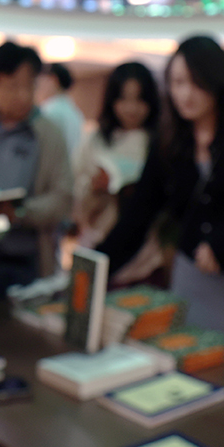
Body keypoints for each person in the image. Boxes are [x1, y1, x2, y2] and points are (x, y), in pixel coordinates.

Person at [98, 36, 224, 372]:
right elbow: (140, 213)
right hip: (195, 282)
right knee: (200, 379)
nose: (185, 94)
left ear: (217, 83)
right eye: (178, 83)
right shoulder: (169, 140)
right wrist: (97, 266)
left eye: (197, 83)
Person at [0, 42, 73, 297]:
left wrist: (21, 212)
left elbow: (63, 198)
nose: (23, 95)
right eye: (13, 86)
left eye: (30, 86)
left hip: (25, 262)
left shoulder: (48, 134)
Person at [72, 62, 163, 284]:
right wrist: (94, 189)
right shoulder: (95, 140)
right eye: (123, 99)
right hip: (98, 244)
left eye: (139, 99)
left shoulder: (159, 143)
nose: (131, 108)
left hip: (145, 256)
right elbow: (74, 202)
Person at [37, 62, 86, 159]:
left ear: (53, 80)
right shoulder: (75, 112)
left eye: (41, 80)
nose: (39, 86)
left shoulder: (49, 112)